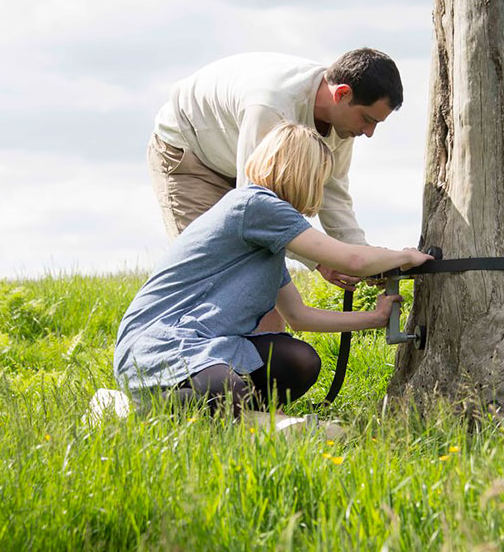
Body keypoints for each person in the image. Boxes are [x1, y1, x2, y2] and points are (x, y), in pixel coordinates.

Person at [116, 123, 432, 415]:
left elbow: (298, 316)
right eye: (319, 177)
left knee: (300, 361)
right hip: (160, 347)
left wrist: (374, 319)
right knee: (228, 391)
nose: (319, 188)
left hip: (205, 345)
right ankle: (164, 409)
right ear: (303, 173)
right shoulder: (256, 206)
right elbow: (352, 260)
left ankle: (236, 416)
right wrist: (404, 257)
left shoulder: (267, 239)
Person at [147, 48, 403, 310]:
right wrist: (320, 260)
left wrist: (361, 256)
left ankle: (263, 348)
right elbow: (255, 213)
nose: (369, 133)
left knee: (258, 288)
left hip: (240, 162)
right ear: (342, 94)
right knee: (212, 279)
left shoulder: (343, 125)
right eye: (367, 119)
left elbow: (333, 194)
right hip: (192, 154)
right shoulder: (272, 106)